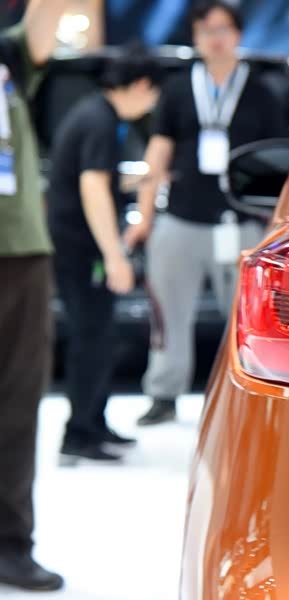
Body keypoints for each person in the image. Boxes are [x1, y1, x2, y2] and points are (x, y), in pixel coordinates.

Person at [124, 0, 285, 426]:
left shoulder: (261, 91)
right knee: (167, 314)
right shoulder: (179, 88)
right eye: (207, 30)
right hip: (181, 217)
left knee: (247, 319)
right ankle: (163, 394)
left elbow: (276, 161)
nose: (215, 38)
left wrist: (274, 222)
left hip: (241, 222)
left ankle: (245, 397)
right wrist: (144, 216)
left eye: (223, 29)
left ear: (238, 35)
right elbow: (158, 152)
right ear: (195, 37)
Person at [47, 48, 161, 465]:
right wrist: (114, 256)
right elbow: (92, 187)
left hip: (79, 245)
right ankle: (78, 433)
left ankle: (94, 421)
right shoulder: (99, 120)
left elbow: (100, 179)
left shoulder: (94, 113)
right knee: (90, 338)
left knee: (98, 335)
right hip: (81, 249)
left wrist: (142, 178)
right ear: (142, 85)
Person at [0, 0, 69, 592]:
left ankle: (10, 544)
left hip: (19, 251)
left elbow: (44, 24)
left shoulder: (10, 56)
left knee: (18, 406)